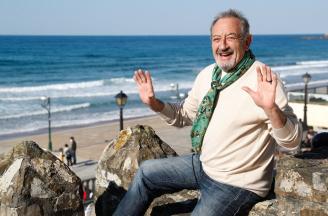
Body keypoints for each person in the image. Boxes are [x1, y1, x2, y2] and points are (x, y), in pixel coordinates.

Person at [114, 9, 302, 216]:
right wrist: (153, 103)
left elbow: (292, 142)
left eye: (230, 38)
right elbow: (183, 114)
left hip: (237, 183)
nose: (222, 46)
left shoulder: (264, 80)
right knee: (146, 172)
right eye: (216, 39)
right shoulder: (208, 75)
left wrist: (271, 108)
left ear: (247, 41)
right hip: (204, 165)